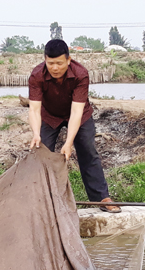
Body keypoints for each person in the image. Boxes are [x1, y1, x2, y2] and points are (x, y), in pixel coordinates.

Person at [28, 39, 121, 213]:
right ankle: (41, 201)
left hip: (79, 114)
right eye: (51, 63)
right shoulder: (37, 75)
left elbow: (76, 112)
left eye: (59, 63)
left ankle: (101, 198)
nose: (55, 68)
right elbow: (34, 109)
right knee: (41, 152)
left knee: (87, 149)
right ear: (45, 61)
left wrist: (68, 142)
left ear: (68, 60)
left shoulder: (80, 74)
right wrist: (35, 133)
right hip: (50, 116)